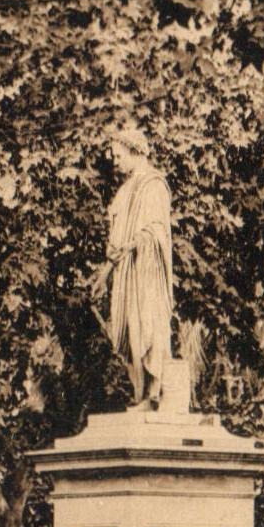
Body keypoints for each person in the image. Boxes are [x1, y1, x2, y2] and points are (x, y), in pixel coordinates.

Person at [89, 124, 173, 407]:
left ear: (134, 149)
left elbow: (157, 230)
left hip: (146, 270)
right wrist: (104, 274)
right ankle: (140, 392)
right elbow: (115, 241)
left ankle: (153, 392)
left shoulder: (153, 184)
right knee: (128, 331)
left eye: (117, 153)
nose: (115, 160)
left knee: (147, 326)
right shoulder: (125, 191)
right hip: (125, 271)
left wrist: (136, 243)